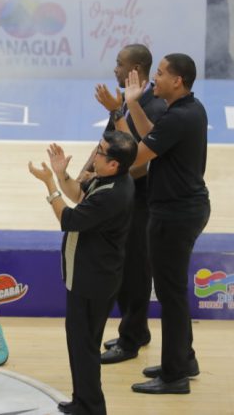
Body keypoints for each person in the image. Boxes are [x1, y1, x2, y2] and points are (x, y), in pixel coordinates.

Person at [28, 131, 137, 415]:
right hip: (91, 277)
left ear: (114, 163)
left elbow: (69, 218)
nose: (95, 154)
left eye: (100, 152)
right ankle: (82, 400)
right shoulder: (112, 179)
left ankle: (91, 406)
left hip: (93, 282)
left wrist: (50, 184)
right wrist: (62, 174)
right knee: (80, 343)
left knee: (84, 345)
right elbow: (78, 194)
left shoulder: (113, 195)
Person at [123, 54, 210, 395]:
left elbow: (138, 157)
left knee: (171, 296)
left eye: (159, 74)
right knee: (174, 292)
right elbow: (154, 137)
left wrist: (113, 141)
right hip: (186, 209)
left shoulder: (180, 117)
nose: (153, 79)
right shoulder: (188, 110)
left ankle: (175, 376)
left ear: (178, 81)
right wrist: (134, 105)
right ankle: (183, 359)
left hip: (174, 215)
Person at [93, 44, 166, 364]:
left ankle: (132, 339)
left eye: (120, 65)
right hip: (123, 198)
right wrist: (87, 174)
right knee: (124, 270)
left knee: (135, 273)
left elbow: (140, 163)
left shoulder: (156, 107)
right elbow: (109, 143)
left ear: (136, 69)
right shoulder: (123, 103)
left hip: (143, 200)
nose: (115, 70)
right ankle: (137, 331)